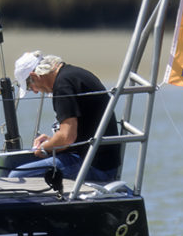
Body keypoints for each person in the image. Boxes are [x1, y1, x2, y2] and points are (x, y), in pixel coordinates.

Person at [9, 50, 121, 182]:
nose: (34, 91)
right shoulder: (72, 74)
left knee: (16, 177)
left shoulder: (62, 87)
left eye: (29, 86)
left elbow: (67, 138)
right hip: (105, 162)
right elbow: (73, 133)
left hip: (94, 166)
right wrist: (52, 141)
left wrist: (44, 147)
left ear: (35, 75)